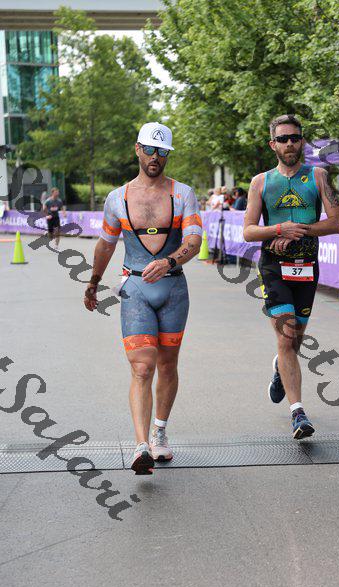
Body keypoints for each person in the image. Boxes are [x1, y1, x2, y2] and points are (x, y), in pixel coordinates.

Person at [84, 122, 202, 475]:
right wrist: (93, 282)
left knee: (167, 364)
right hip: (135, 289)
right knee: (142, 367)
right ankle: (141, 447)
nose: (155, 157)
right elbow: (106, 244)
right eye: (149, 149)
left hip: (173, 289)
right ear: (137, 149)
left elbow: (194, 241)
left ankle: (159, 432)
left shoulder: (182, 194)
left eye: (162, 152)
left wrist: (168, 262)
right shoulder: (117, 198)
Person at [243, 114, 339, 439]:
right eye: (283, 139)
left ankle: (280, 368)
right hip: (273, 267)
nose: (289, 144)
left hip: (306, 266)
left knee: (295, 338)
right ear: (272, 144)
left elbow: (337, 222)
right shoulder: (260, 182)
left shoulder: (318, 176)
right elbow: (248, 231)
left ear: (302, 141)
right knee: (287, 336)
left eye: (295, 138)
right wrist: (278, 229)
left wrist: (298, 230)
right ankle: (298, 413)